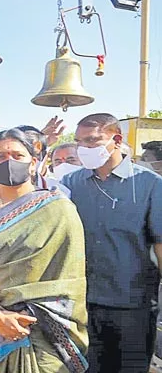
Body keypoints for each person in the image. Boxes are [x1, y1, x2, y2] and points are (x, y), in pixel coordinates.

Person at [0, 128, 89, 372]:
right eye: (0, 157)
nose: (9, 162)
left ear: (34, 163)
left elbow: (72, 277)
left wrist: (27, 311)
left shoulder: (59, 209)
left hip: (43, 328)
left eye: (17, 155)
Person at [61, 113, 162, 373]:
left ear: (116, 140)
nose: (85, 148)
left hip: (133, 304)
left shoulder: (149, 184)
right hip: (84, 304)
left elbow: (160, 244)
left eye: (93, 141)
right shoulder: (72, 184)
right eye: (79, 142)